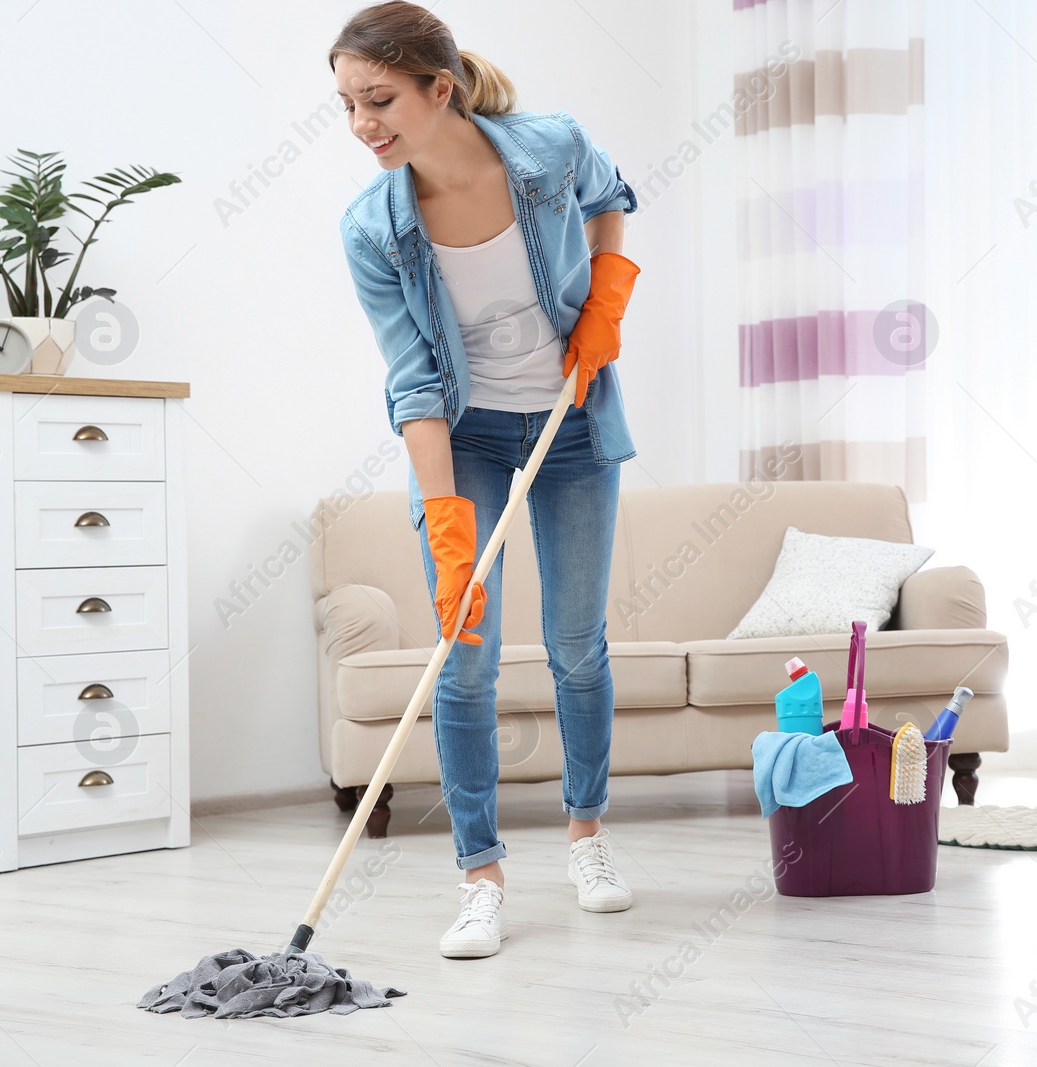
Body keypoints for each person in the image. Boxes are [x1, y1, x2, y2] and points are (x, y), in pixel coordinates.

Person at [331, 0, 641, 960]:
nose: (362, 126)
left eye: (379, 99)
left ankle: (587, 837)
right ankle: (481, 877)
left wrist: (607, 301)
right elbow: (415, 381)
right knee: (461, 651)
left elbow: (612, 201)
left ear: (441, 86)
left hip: (571, 421)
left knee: (576, 643)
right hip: (462, 435)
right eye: (345, 106)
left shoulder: (548, 151)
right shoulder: (373, 229)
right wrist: (446, 524)